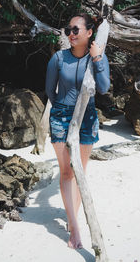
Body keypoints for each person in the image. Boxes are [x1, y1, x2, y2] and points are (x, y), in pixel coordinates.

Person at [45, 13, 110, 249]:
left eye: (76, 30)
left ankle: (72, 218)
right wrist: (64, 108)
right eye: (68, 30)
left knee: (80, 170)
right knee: (66, 173)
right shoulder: (59, 58)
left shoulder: (96, 58)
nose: (70, 34)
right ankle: (74, 225)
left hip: (88, 115)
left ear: (89, 33)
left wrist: (98, 58)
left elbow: (103, 88)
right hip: (61, 116)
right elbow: (50, 91)